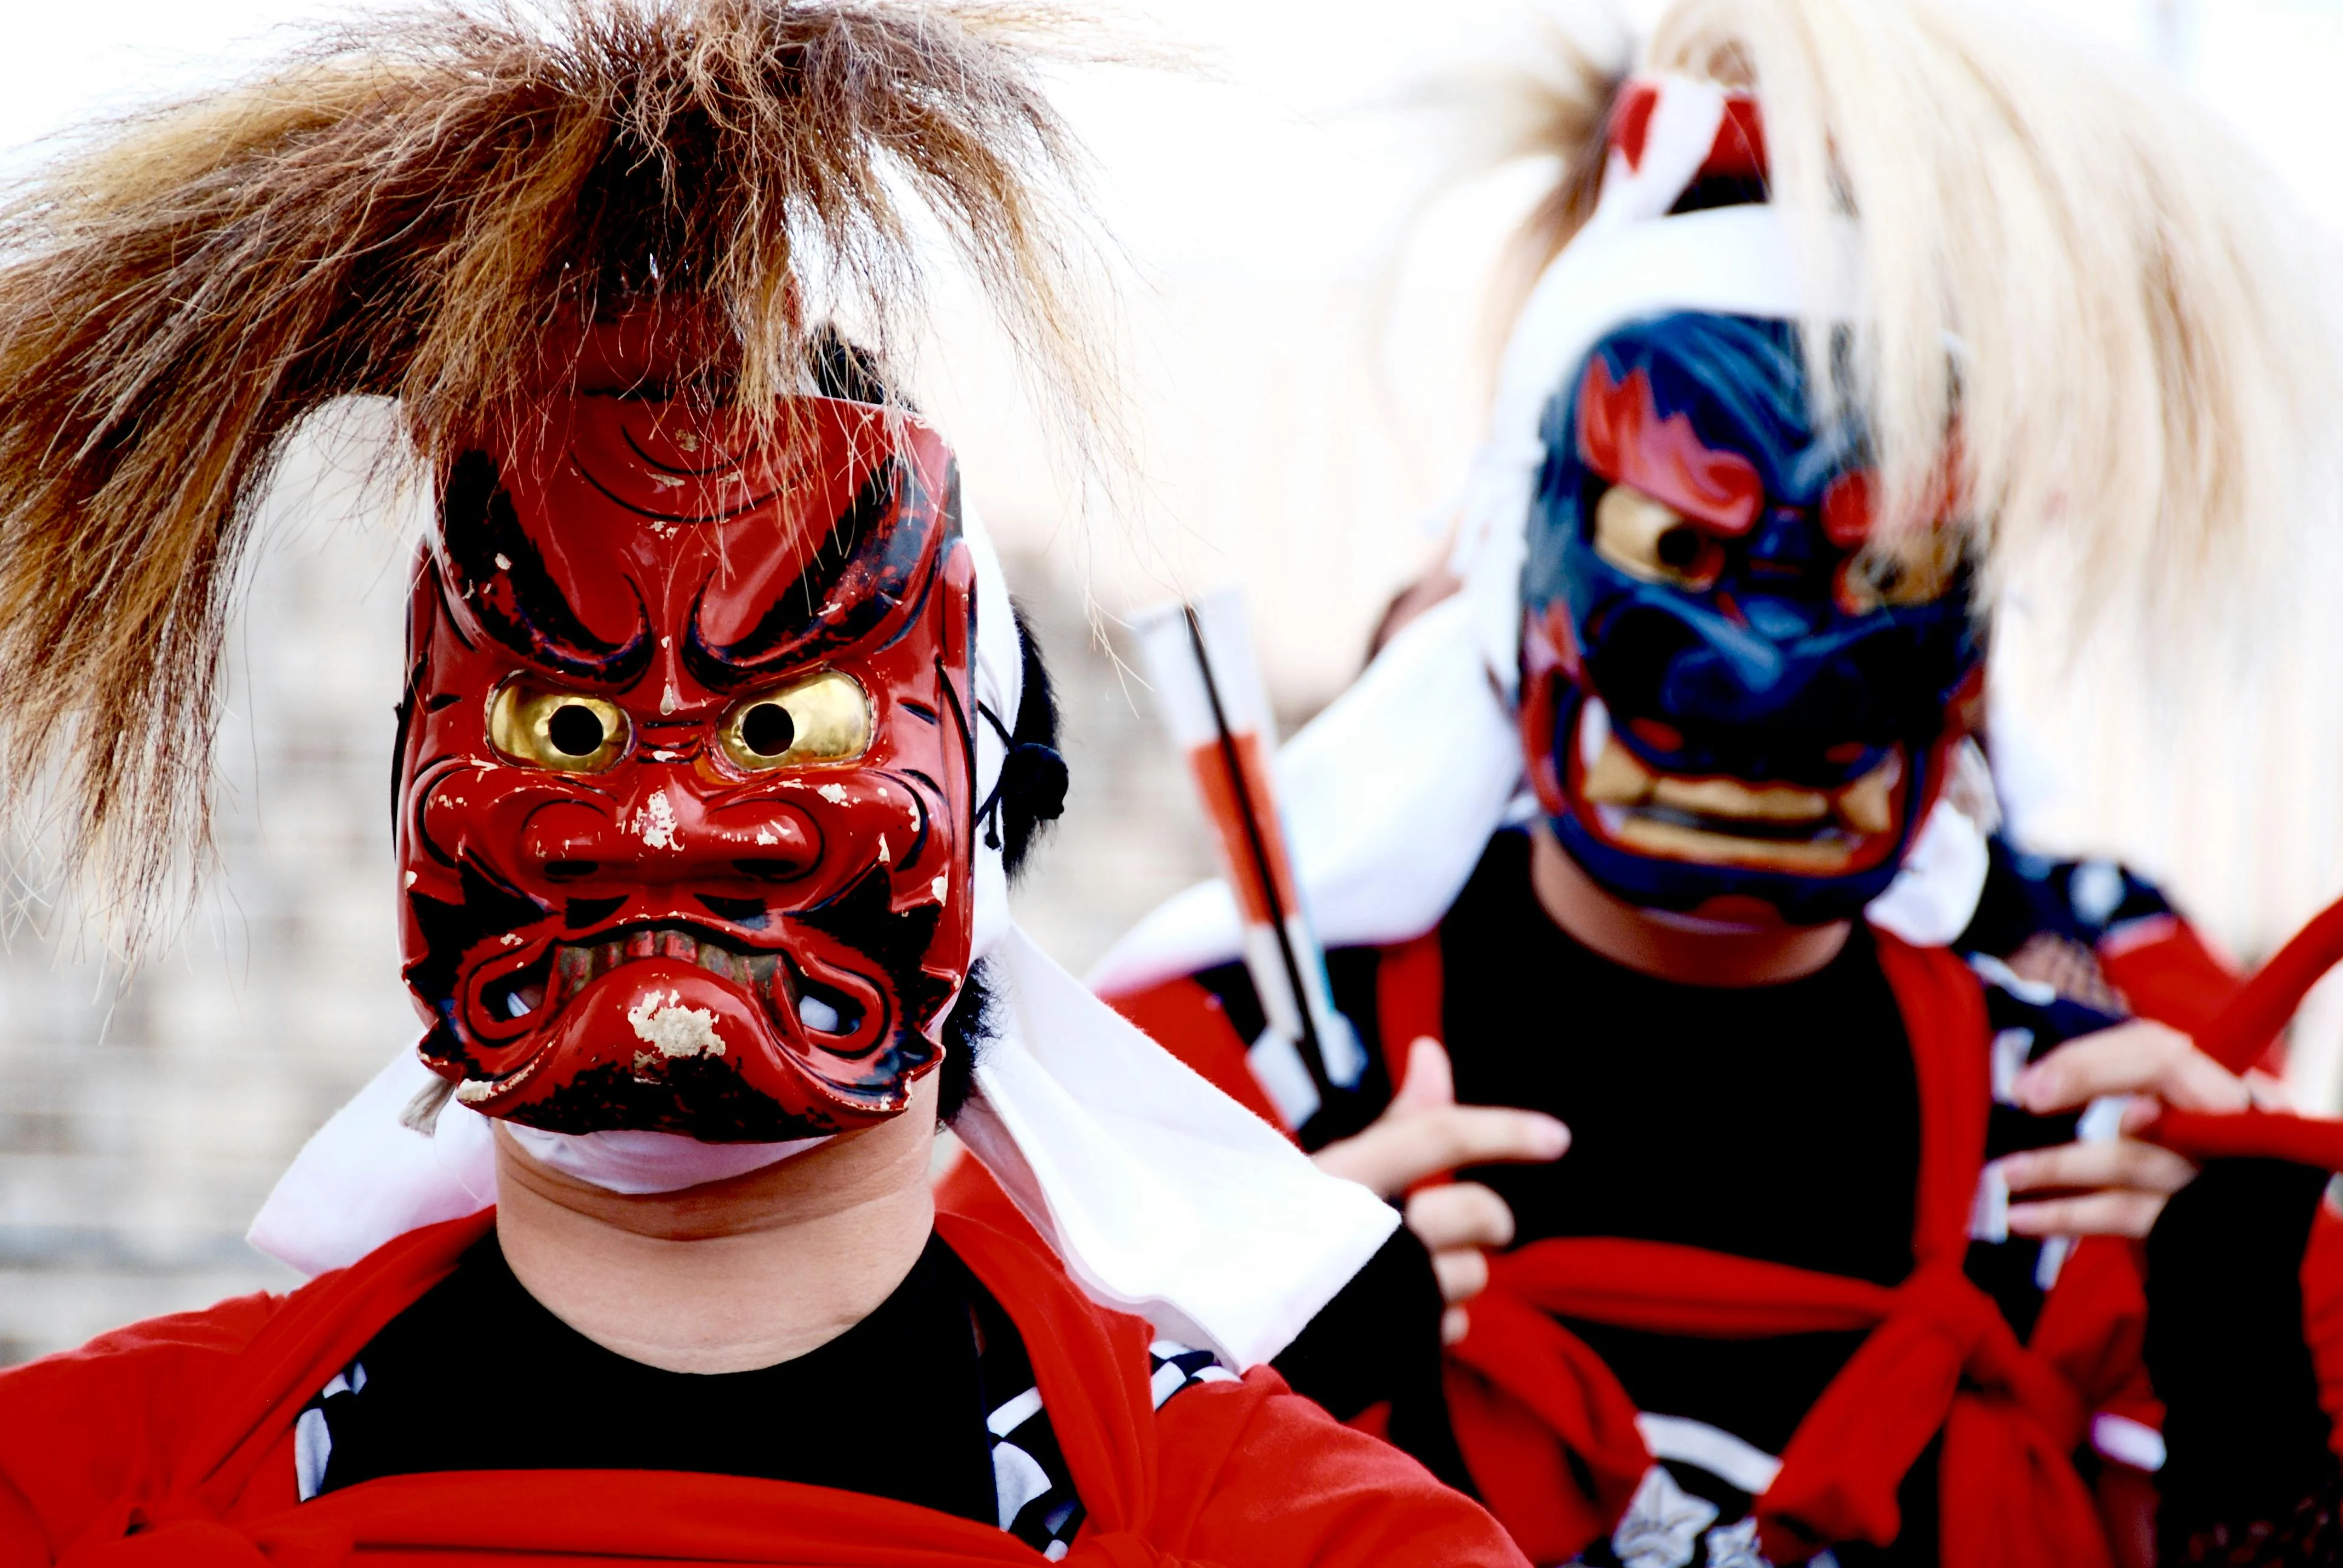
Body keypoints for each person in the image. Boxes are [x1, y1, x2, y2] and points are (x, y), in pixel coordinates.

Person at [0, 4, 1526, 1564]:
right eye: (560, 729)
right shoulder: (70, 1491)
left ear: (986, 818)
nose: (660, 819)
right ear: (408, 792)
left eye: (785, 725)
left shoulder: (1296, 1538)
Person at [1084, 2, 2343, 1563]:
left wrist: (2244, 1372)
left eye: (1878, 571)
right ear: (1513, 553)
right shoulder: (1199, 1094)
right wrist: (1240, 1359)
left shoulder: (2082, 1156)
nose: (1764, 671)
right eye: (1676, 548)